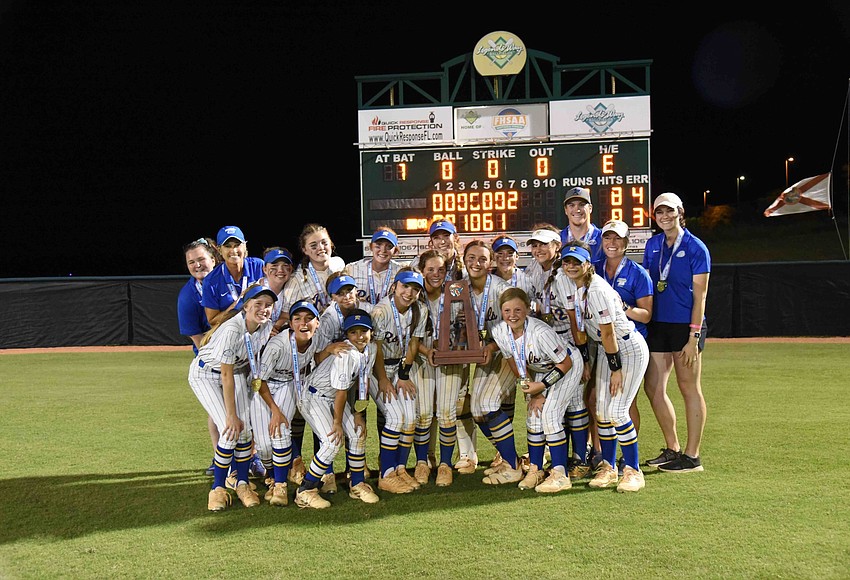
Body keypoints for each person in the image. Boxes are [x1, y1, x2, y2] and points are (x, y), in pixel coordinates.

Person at [560, 242, 650, 492]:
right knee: (601, 411)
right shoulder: (575, 286)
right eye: (567, 261)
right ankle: (609, 467)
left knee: (618, 411)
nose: (570, 266)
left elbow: (609, 334)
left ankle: (633, 470)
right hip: (604, 348)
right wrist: (588, 360)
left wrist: (616, 369)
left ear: (587, 264)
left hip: (625, 348)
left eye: (576, 261)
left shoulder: (597, 288)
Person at [188, 283, 281, 511]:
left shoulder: (265, 326)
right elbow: (226, 376)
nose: (264, 309)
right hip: (206, 375)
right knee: (230, 430)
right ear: (245, 306)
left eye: (268, 305)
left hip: (238, 373)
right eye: (258, 304)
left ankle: (241, 483)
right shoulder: (232, 330)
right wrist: (231, 415)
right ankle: (217, 488)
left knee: (246, 431)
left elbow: (247, 363)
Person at [641, 192, 710, 473]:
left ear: (680, 212)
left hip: (685, 326)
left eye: (669, 211)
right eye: (659, 212)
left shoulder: (696, 247)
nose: (664, 217)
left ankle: (692, 457)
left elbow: (700, 298)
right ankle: (673, 448)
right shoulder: (653, 244)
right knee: (653, 388)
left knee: (688, 387)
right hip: (658, 324)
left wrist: (694, 337)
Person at [491, 287, 584, 493]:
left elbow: (565, 363)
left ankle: (560, 475)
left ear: (527, 310)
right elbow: (515, 364)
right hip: (542, 369)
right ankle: (536, 469)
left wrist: (541, 387)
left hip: (567, 365)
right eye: (507, 310)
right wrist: (534, 393)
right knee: (534, 416)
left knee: (550, 415)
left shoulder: (540, 332)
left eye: (518, 310)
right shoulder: (499, 331)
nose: (512, 315)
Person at [293, 309, 381, 508]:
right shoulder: (346, 353)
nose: (359, 336)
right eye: (353, 332)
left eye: (363, 331)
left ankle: (357, 484)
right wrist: (337, 423)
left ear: (371, 332)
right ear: (346, 335)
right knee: (332, 442)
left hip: (332, 397)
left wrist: (358, 414)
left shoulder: (371, 349)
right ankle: (305, 490)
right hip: (314, 397)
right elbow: (341, 392)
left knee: (358, 433)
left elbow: (361, 383)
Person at [251, 300, 327, 507]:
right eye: (298, 319)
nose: (304, 323)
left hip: (288, 384)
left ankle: (280, 485)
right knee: (265, 447)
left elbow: (318, 355)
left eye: (309, 318)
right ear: (291, 324)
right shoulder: (278, 345)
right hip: (263, 386)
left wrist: (332, 349)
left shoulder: (317, 338)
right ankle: (272, 477)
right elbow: (259, 381)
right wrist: (274, 410)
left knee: (281, 432)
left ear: (317, 323)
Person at [458, 240, 520, 486]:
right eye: (471, 258)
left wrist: (493, 346)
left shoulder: (501, 289)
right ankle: (509, 459)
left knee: (486, 403)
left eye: (482, 258)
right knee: (477, 409)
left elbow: (516, 325)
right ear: (464, 260)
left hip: (507, 352)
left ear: (490, 262)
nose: (476, 263)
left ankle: (512, 464)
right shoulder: (458, 288)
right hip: (484, 353)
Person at [594, 219, 653, 474]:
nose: (612, 243)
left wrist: (623, 308)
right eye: (608, 238)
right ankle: (607, 460)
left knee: (626, 404)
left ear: (627, 243)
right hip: (603, 344)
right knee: (602, 403)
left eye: (618, 239)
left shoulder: (638, 273)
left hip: (629, 343)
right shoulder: (594, 269)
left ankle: (629, 461)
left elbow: (647, 315)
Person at [372, 269, 428, 493]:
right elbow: (374, 348)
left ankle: (399, 468)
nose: (409, 292)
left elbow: (414, 343)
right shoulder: (380, 311)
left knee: (410, 418)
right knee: (395, 418)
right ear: (395, 286)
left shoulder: (419, 310)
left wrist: (403, 375)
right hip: (376, 369)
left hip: (400, 368)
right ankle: (386, 474)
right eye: (405, 286)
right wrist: (383, 379)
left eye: (415, 289)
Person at [412, 249, 464, 486]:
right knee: (423, 415)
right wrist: (425, 351)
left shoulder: (455, 292)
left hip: (449, 358)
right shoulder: (413, 293)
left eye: (441, 270)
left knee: (445, 413)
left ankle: (445, 464)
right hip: (420, 357)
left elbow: (465, 328)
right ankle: (422, 462)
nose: (435, 274)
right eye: (430, 269)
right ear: (421, 270)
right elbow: (407, 334)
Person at [176, 237, 221, 476]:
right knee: (216, 412)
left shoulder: (227, 282)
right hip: (211, 361)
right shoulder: (188, 297)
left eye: (201, 259)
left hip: (243, 358)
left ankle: (251, 457)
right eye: (191, 262)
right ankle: (219, 458)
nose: (197, 265)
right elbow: (199, 342)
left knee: (246, 410)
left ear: (213, 259)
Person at [201, 225, 265, 326]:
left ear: (245, 246)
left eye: (237, 245)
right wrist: (239, 304)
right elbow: (212, 321)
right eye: (227, 246)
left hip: (260, 324)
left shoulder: (259, 266)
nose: (233, 250)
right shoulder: (210, 282)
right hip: (230, 329)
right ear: (219, 250)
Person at [290, 223, 347, 312]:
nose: (321, 248)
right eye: (313, 246)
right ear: (305, 250)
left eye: (324, 243)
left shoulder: (339, 264)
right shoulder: (296, 280)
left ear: (331, 243)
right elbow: (287, 314)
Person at [346, 227, 403, 307]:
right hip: (360, 318)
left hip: (390, 318)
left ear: (395, 251)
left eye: (388, 246)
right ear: (371, 247)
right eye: (378, 245)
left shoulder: (401, 272)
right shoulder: (352, 269)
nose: (383, 250)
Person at [560, 186, 603, 264]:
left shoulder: (603, 239)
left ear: (590, 208)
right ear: (566, 210)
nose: (577, 209)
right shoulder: (558, 240)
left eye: (582, 204)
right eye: (572, 205)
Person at [258, 247, 296, 335]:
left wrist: (275, 328)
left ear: (291, 269)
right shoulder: (255, 290)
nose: (280, 270)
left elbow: (286, 316)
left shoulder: (292, 289)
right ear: (265, 269)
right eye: (274, 265)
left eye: (285, 265)